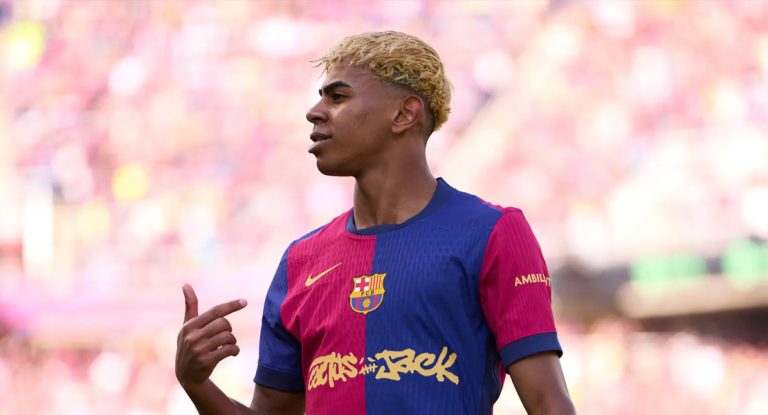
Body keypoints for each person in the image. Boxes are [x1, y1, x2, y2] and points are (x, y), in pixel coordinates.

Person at [175, 31, 575, 415]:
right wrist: (197, 384)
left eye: (338, 97)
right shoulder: (300, 260)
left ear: (403, 114)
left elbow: (548, 405)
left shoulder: (491, 233)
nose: (315, 112)